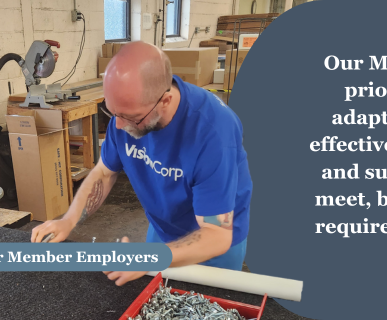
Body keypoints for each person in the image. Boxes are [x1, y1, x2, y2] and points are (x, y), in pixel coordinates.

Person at [31, 41, 252, 286]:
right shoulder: (126, 113)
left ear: (165, 101)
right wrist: (69, 219)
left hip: (213, 246)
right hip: (162, 229)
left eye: (130, 118)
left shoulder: (214, 133)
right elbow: (105, 172)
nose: (117, 126)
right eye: (112, 112)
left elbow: (217, 234)